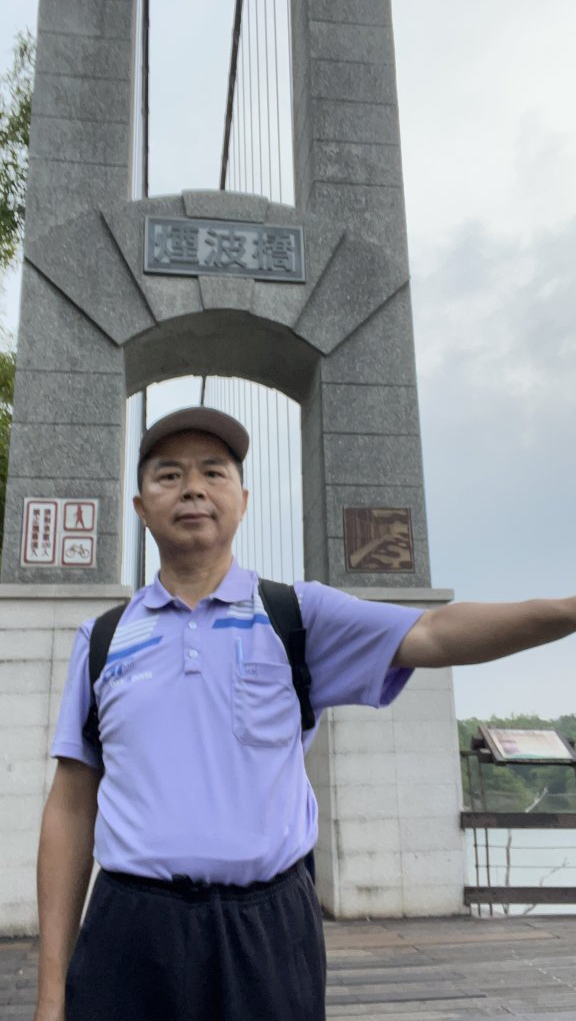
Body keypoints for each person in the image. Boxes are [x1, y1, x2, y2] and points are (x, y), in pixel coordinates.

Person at [34, 407, 576, 1021]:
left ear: (242, 498)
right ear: (139, 506)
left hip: (268, 931)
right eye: (168, 475)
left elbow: (436, 632)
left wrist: (567, 610)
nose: (192, 488)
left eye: (214, 472)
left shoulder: (297, 616)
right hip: (130, 929)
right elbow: (71, 805)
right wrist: (50, 996)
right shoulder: (101, 639)